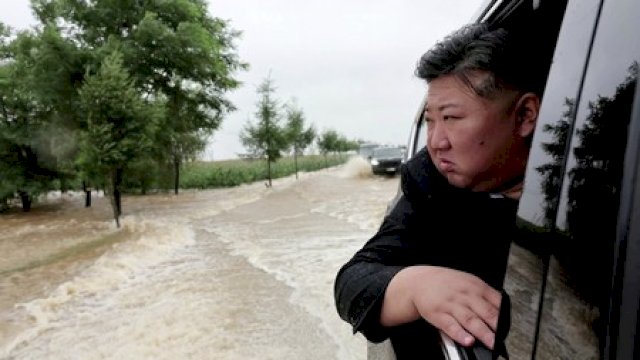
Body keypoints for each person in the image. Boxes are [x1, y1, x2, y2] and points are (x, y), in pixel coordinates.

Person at [334, 23, 543, 359]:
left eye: (452, 118)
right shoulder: (430, 186)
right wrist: (415, 286)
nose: (435, 142)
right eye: (431, 120)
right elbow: (352, 283)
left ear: (524, 116)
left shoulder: (589, 196)